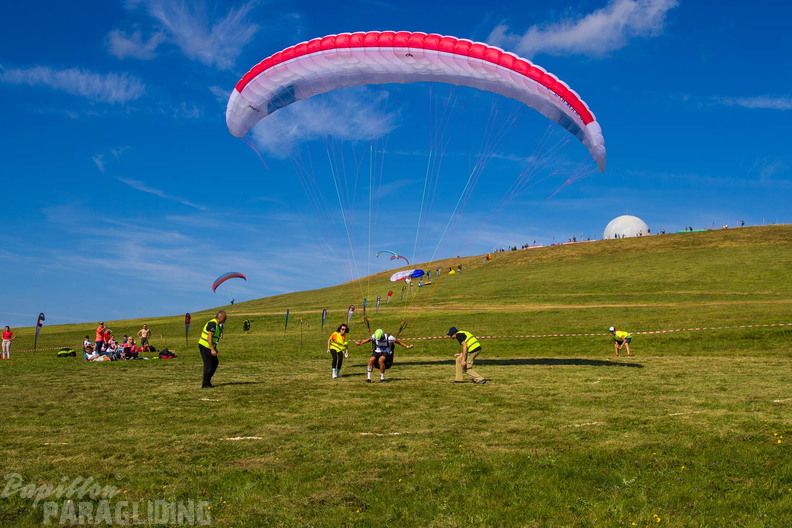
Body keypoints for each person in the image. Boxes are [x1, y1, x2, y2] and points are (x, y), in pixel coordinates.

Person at [198, 311, 227, 388]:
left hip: (210, 346)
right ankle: (205, 384)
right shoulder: (212, 323)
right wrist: (212, 349)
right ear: (220, 317)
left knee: (215, 362)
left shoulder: (218, 325)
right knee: (209, 365)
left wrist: (214, 348)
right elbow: (209, 336)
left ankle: (208, 381)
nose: (226, 319)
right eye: (225, 317)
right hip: (205, 346)